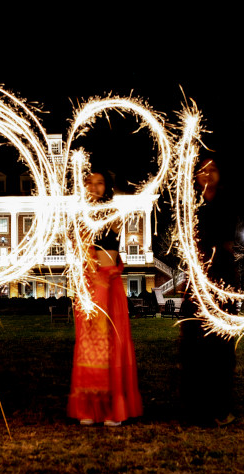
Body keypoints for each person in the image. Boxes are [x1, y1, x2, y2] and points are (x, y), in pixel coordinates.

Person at [68, 169, 143, 427]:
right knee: (88, 344)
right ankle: (89, 405)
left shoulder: (112, 214)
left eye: (100, 183)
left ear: (107, 187)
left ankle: (112, 405)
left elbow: (113, 247)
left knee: (110, 342)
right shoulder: (79, 215)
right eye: (89, 182)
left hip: (108, 284)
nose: (94, 187)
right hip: (88, 285)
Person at [178, 158, 237, 427]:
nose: (206, 173)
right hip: (196, 283)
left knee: (221, 348)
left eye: (212, 169)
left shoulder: (227, 203)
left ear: (220, 174)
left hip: (221, 283)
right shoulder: (189, 206)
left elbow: (225, 241)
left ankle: (220, 407)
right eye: (201, 170)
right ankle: (195, 407)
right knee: (193, 345)